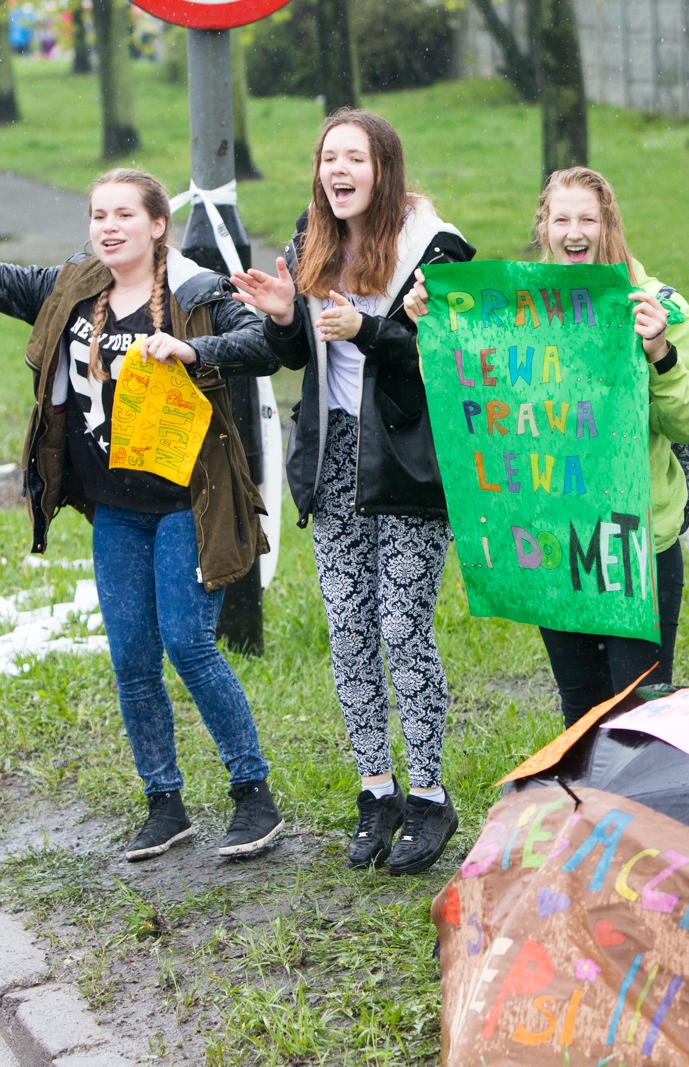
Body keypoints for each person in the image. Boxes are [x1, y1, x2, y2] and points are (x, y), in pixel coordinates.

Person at [0, 158, 286, 861]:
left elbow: (264, 344)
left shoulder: (197, 292)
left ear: (158, 224)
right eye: (98, 215)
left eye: (124, 215)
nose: (108, 227)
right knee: (132, 657)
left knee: (188, 643)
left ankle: (253, 794)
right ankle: (163, 802)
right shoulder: (73, 291)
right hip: (116, 509)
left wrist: (191, 346)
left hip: (188, 506)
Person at [231, 110, 474, 875]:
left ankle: (431, 795)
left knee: (402, 627)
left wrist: (367, 332)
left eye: (354, 158)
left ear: (383, 168)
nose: (338, 171)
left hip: (409, 462)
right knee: (348, 628)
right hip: (334, 457)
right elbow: (300, 351)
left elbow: (455, 353)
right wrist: (280, 320)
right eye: (328, 158)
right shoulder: (311, 241)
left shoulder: (435, 247)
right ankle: (378, 791)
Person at [406, 167, 689, 726]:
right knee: (580, 706)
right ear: (544, 227)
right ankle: (593, 816)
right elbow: (466, 396)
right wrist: (434, 330)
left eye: (588, 219)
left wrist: (660, 353)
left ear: (609, 225)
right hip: (555, 537)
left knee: (640, 709)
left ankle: (639, 813)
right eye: (562, 219)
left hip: (634, 540)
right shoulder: (515, 313)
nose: (575, 232)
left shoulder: (658, 306)